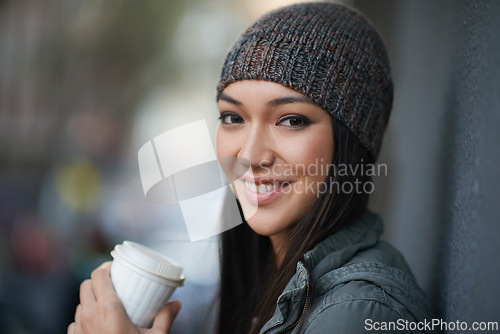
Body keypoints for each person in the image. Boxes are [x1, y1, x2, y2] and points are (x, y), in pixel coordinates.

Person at [68, 2, 435, 334]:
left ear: (353, 143)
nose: (250, 154)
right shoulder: (271, 283)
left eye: (291, 120)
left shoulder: (356, 313)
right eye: (232, 117)